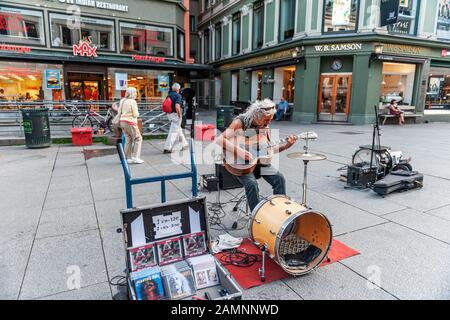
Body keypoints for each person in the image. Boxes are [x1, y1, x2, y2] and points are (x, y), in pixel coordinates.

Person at [216, 99, 298, 212]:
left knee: (279, 178)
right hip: (239, 163)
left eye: (270, 120)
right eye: (266, 120)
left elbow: (268, 150)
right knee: (251, 184)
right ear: (257, 116)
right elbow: (220, 139)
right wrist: (239, 151)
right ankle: (256, 217)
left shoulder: (265, 128)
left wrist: (286, 146)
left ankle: (281, 211)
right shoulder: (241, 122)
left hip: (258, 162)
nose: (268, 123)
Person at [119, 87, 144, 164]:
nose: (136, 93)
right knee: (138, 138)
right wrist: (138, 114)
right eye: (135, 92)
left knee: (128, 140)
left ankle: (127, 158)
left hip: (122, 121)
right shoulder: (132, 102)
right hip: (130, 122)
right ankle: (136, 157)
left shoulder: (122, 100)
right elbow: (135, 114)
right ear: (132, 93)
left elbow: (119, 111)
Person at [163, 83, 188, 153]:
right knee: (173, 132)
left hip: (169, 114)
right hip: (175, 115)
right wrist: (180, 115)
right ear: (178, 89)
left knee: (178, 129)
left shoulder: (169, 95)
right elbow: (177, 106)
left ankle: (184, 144)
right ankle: (167, 148)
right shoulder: (178, 96)